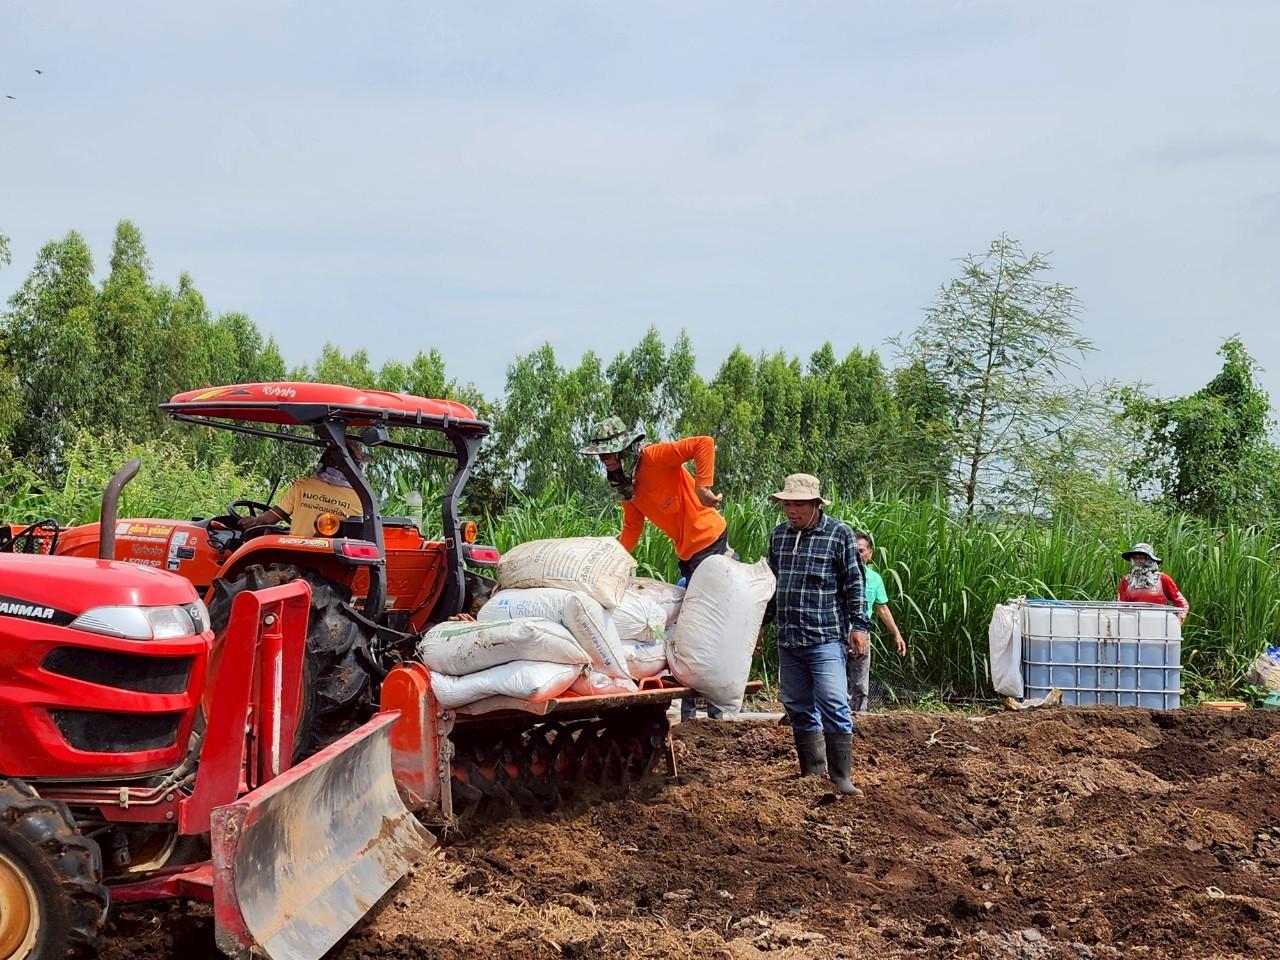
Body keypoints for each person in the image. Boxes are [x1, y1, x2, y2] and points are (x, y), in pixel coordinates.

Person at [579, 416, 727, 721]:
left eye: (608, 452)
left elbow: (703, 444)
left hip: (708, 539)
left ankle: (716, 710)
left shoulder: (654, 457)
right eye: (600, 454)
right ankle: (693, 708)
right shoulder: (626, 484)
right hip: (687, 551)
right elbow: (632, 527)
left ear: (624, 448)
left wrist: (703, 487)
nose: (604, 459)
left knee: (703, 622)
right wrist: (610, 561)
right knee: (687, 623)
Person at [764, 473, 868, 796]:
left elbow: (855, 583)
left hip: (824, 638)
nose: (791, 511)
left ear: (815, 505)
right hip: (788, 638)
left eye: (798, 504)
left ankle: (841, 778)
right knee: (797, 704)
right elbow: (771, 588)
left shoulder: (839, 534)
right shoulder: (779, 536)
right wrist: (760, 627)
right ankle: (812, 771)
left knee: (834, 702)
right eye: (787, 505)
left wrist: (859, 626)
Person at [241, 439, 371, 537]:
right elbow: (356, 532)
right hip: (331, 559)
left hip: (295, 555)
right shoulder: (361, 498)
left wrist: (255, 520)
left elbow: (270, 519)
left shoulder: (303, 486)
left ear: (325, 460)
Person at [846, 530, 907, 716]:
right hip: (836, 634)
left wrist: (897, 634)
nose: (857, 555)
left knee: (859, 683)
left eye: (861, 551)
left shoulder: (874, 579)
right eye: (853, 551)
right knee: (834, 682)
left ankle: (859, 720)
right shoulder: (838, 575)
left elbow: (882, 609)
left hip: (861, 635)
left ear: (870, 553)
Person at [1117, 542, 1189, 622]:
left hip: (1159, 623)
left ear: (1149, 559)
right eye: (1135, 558)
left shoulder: (1163, 579)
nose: (1137, 561)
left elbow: (1183, 604)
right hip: (1134, 624)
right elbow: (1121, 606)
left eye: (1141, 558)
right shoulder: (1126, 581)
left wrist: (1176, 623)